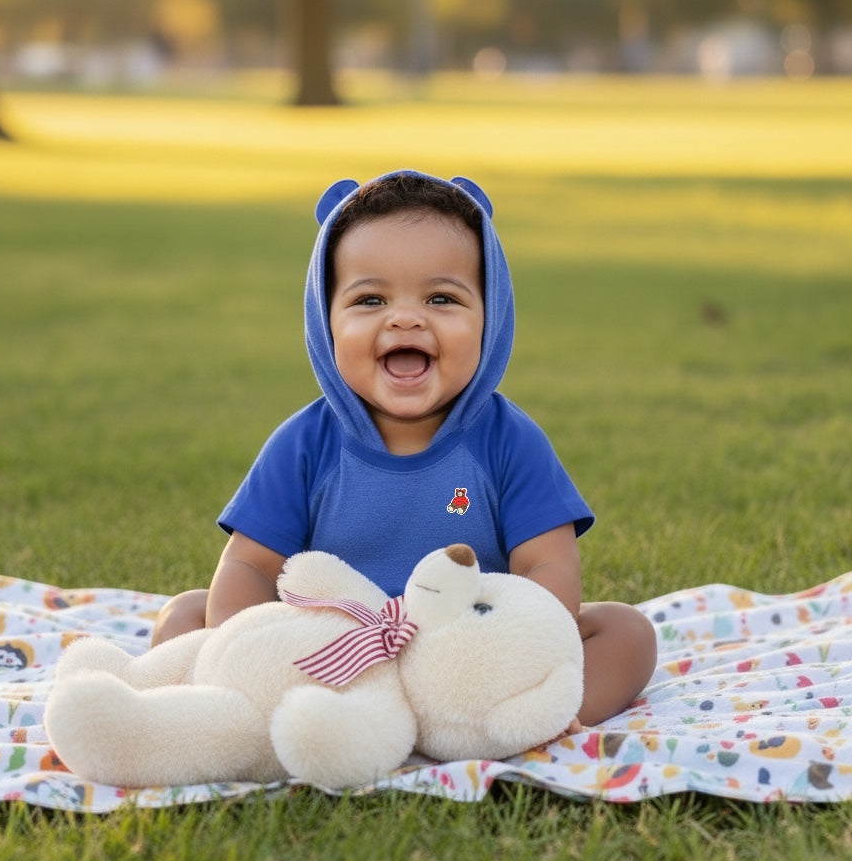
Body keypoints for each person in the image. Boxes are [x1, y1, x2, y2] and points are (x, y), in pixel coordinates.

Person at [152, 169, 656, 727]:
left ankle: (537, 723)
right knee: (187, 613)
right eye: (369, 299)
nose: (406, 316)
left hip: (464, 656)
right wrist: (246, 649)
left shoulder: (510, 442)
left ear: (491, 317)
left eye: (442, 297)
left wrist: (516, 642)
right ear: (326, 321)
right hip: (327, 653)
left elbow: (549, 567)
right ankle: (260, 711)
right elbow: (249, 564)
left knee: (625, 632)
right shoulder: (304, 444)